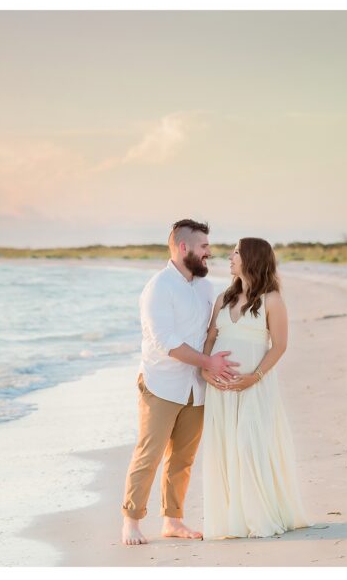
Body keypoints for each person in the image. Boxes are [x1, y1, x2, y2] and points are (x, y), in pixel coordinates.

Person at [121, 219, 241, 546]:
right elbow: (167, 343)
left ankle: (172, 521)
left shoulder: (205, 287)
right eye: (204, 247)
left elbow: (211, 331)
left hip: (197, 386)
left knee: (183, 459)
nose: (209, 253)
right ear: (184, 247)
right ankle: (131, 521)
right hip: (162, 384)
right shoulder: (158, 288)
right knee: (150, 453)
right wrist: (208, 362)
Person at [201, 237, 312, 539]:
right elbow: (210, 339)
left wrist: (255, 377)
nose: (230, 257)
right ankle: (235, 520)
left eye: (236, 253)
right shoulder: (224, 297)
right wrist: (205, 369)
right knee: (226, 449)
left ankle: (260, 515)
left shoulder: (272, 300)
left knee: (250, 448)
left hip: (255, 386)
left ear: (251, 258)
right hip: (220, 389)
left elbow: (280, 346)